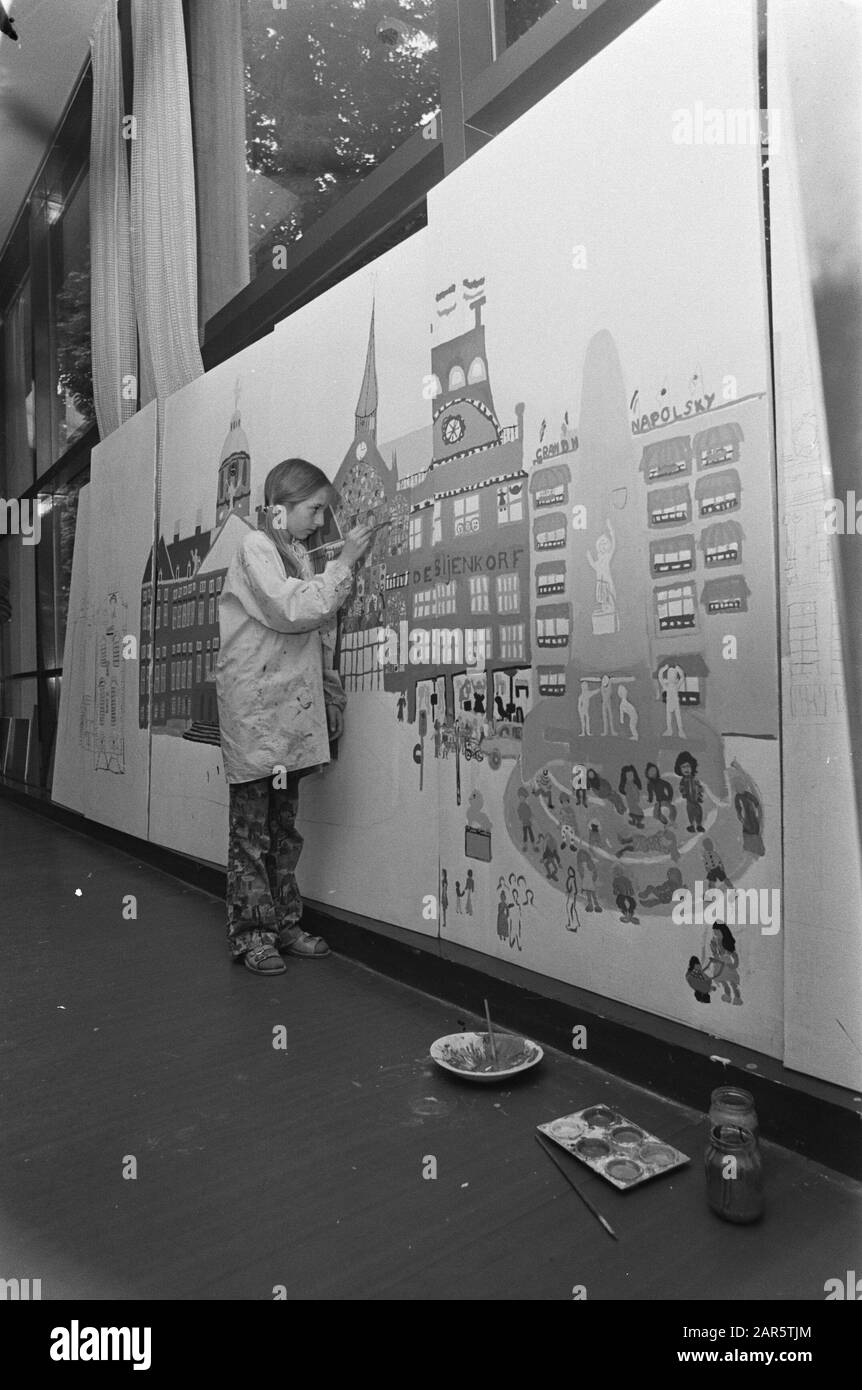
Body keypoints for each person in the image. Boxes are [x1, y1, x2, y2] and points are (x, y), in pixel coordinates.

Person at [216, 458, 373, 975]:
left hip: (288, 715)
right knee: (251, 832)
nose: (319, 521)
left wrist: (330, 695)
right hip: (258, 715)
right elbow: (293, 610)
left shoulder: (299, 558)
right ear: (280, 506)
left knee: (284, 828)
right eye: (313, 509)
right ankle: (251, 935)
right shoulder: (255, 548)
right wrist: (346, 560)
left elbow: (319, 637)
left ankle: (283, 923)